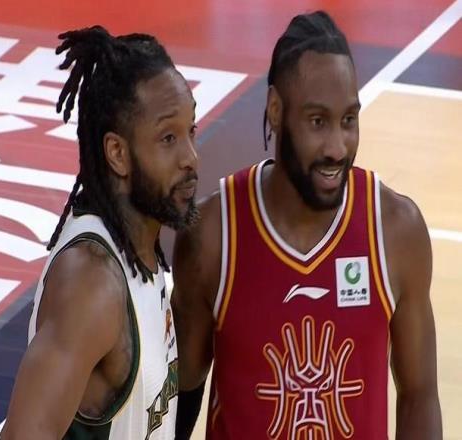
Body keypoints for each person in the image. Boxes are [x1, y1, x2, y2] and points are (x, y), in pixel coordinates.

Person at [172, 11, 442, 440]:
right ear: (275, 110)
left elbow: (420, 396)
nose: (337, 147)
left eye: (348, 120)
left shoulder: (396, 231)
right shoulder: (212, 236)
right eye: (318, 122)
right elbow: (179, 398)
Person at [0, 25, 198, 440]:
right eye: (168, 138)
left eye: (190, 131)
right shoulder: (92, 285)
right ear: (117, 153)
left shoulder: (139, 247)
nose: (190, 158)